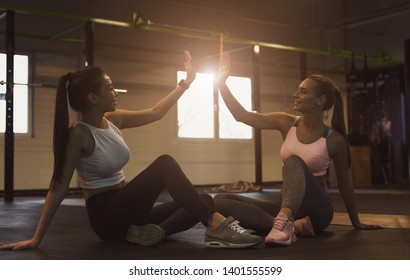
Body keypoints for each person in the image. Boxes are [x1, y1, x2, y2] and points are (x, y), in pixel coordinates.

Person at [0, 51, 261, 250]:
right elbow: (58, 187)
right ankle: (216, 224)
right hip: (107, 219)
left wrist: (187, 82)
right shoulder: (78, 134)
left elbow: (156, 113)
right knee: (165, 163)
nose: (115, 93)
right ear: (92, 97)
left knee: (204, 200)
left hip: (129, 210)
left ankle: (156, 231)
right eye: (110, 88)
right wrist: (36, 239)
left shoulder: (114, 119)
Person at [213, 52, 384, 246]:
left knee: (294, 161)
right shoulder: (286, 123)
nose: (296, 95)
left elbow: (345, 186)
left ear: (320, 100)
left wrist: (357, 223)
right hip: (284, 203)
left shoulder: (334, 140)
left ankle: (283, 224)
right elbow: (241, 115)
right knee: (220, 200)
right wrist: (221, 84)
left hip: (317, 212)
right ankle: (286, 225)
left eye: (303, 91)